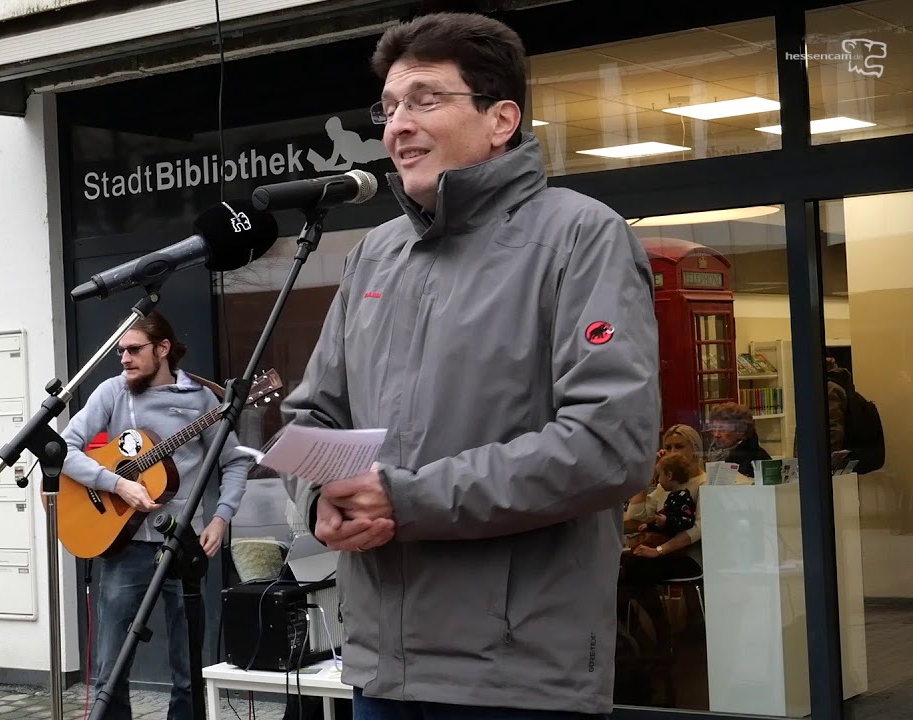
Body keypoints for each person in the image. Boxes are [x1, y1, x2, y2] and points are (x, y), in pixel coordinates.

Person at [278, 12, 660, 719]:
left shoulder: (579, 236)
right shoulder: (374, 256)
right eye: (389, 107)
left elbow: (612, 445)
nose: (397, 125)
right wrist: (320, 499)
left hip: (515, 677)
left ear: (501, 119)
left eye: (425, 99)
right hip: (379, 671)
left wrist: (404, 499)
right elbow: (313, 415)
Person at [60, 311, 252, 720]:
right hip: (124, 545)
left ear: (163, 349)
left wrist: (221, 517)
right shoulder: (112, 392)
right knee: (111, 666)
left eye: (134, 349)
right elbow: (63, 450)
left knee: (187, 665)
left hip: (182, 547)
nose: (124, 359)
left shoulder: (202, 401)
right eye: (120, 351)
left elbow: (235, 462)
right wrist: (117, 484)